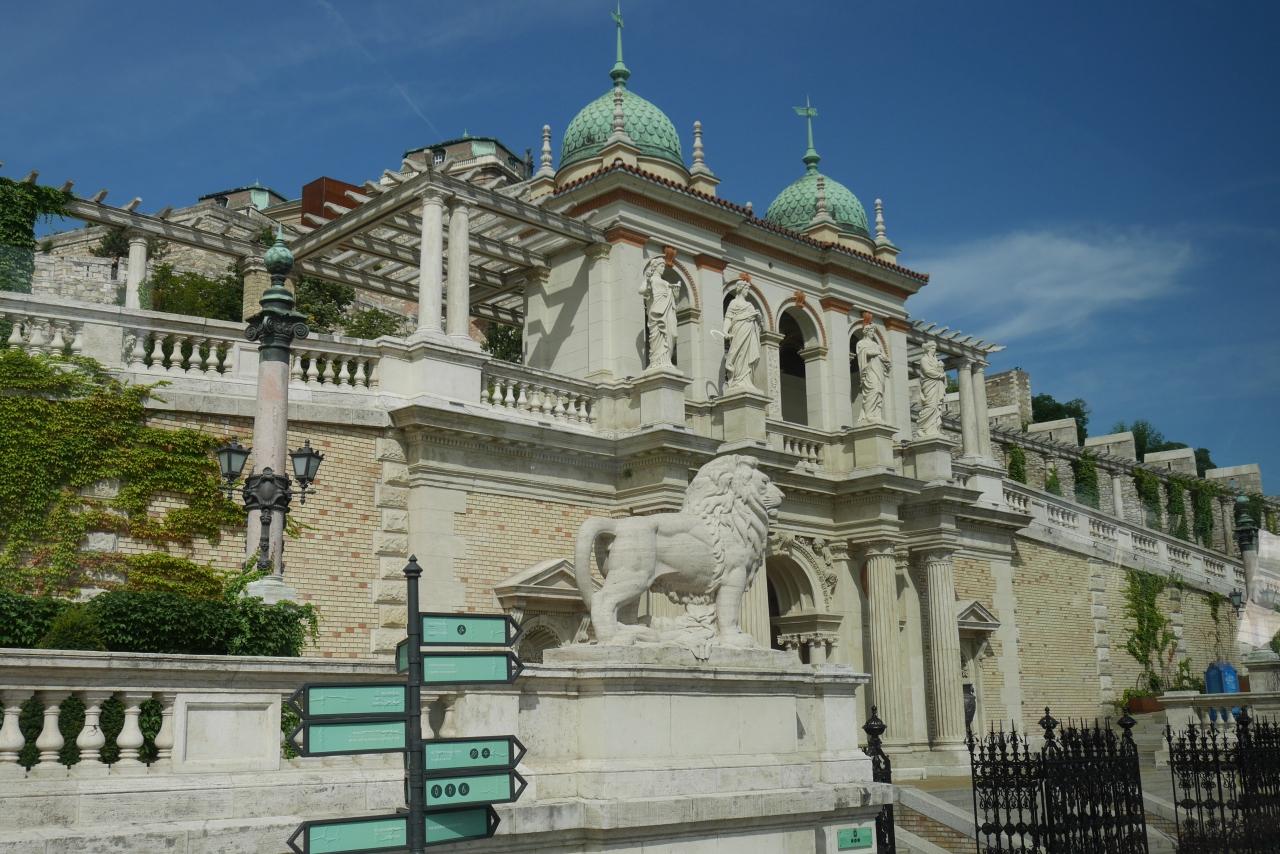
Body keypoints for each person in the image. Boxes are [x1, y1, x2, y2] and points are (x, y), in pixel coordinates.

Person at [720, 279, 761, 391]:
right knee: (738, 353)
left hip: (749, 331)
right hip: (738, 330)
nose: (747, 291)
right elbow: (728, 318)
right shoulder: (733, 303)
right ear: (741, 289)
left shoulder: (750, 305)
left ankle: (746, 380)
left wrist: (758, 318)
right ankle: (737, 380)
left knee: (747, 354)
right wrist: (725, 331)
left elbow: (758, 322)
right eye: (746, 288)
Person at [639, 257, 679, 369]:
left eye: (664, 266)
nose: (663, 269)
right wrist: (647, 281)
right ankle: (657, 361)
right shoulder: (651, 279)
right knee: (657, 335)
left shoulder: (666, 283)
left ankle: (667, 360)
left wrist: (676, 295)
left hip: (668, 311)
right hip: (656, 311)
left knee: (672, 334)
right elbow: (641, 291)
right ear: (655, 267)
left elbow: (673, 301)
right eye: (661, 266)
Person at [855, 320, 889, 424]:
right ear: (866, 332)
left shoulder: (876, 344)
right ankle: (868, 414)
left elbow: (881, 356)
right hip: (870, 370)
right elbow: (863, 353)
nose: (872, 334)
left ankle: (876, 414)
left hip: (878, 369)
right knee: (872, 389)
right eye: (870, 331)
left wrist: (885, 360)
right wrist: (876, 353)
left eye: (873, 332)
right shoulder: (861, 343)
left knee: (879, 391)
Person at [916, 340, 945, 438]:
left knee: (936, 406)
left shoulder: (936, 360)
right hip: (929, 385)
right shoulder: (924, 359)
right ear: (928, 349)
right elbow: (927, 371)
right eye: (932, 348)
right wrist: (940, 375)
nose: (934, 350)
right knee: (931, 406)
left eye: (935, 348)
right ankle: (922, 428)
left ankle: (933, 429)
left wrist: (941, 367)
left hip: (937, 384)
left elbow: (938, 370)